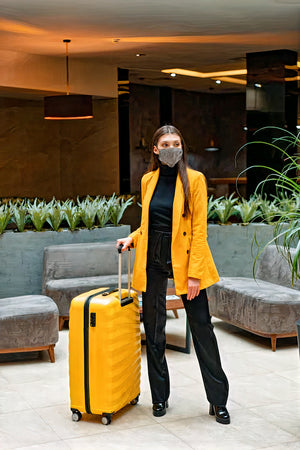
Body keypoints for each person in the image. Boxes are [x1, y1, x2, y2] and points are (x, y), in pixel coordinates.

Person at [116, 125, 230, 425]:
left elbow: (199, 230)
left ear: (182, 147)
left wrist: (194, 275)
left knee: (203, 329)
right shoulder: (148, 180)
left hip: (187, 263)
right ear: (155, 149)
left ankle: (218, 401)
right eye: (165, 143)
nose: (171, 148)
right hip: (152, 261)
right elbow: (150, 223)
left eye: (176, 143)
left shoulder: (195, 180)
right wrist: (133, 238)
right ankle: (159, 397)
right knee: (153, 332)